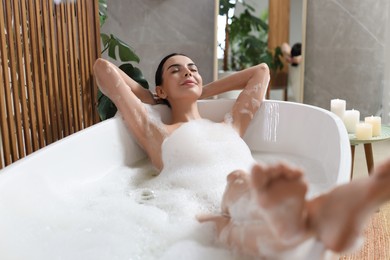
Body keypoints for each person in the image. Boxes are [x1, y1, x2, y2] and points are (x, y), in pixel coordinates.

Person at [93, 54, 390, 258]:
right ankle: (311, 217)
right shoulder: (156, 132)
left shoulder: (231, 124)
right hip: (203, 214)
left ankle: (304, 224)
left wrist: (201, 90)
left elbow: (260, 71)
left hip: (238, 209)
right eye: (176, 70)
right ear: (161, 87)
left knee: (244, 209)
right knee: (239, 186)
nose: (187, 72)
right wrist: (154, 98)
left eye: (193, 68)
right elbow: (103, 69)